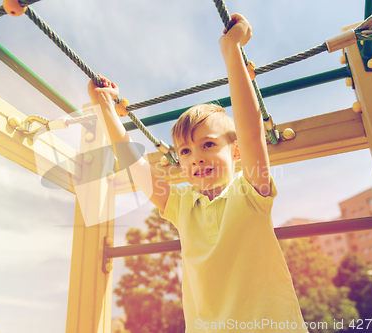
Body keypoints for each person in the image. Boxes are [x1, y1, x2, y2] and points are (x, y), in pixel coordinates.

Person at [88, 13, 307, 333]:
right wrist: (103, 105)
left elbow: (250, 132)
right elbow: (135, 167)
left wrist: (231, 49)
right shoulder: (181, 205)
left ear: (234, 153)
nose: (196, 158)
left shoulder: (251, 193)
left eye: (207, 144)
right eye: (186, 152)